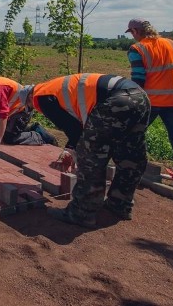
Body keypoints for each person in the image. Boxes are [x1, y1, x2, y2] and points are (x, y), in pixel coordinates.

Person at [21, 73, 151, 228]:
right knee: (130, 154)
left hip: (116, 101)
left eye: (30, 106)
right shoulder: (54, 86)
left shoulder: (42, 97)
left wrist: (71, 151)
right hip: (140, 97)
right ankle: (120, 203)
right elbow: (79, 125)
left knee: (91, 156)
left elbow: (74, 129)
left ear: (30, 97)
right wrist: (71, 148)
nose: (35, 109)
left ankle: (81, 213)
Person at [125, 18, 173, 194]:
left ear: (135, 31)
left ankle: (129, 172)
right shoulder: (171, 44)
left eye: (132, 33)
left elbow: (138, 79)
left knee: (132, 134)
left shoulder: (137, 49)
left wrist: (133, 102)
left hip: (152, 101)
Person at [0, 77, 56, 149]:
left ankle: (39, 136)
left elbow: (3, 115)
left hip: (23, 110)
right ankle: (33, 128)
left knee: (10, 138)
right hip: (16, 110)